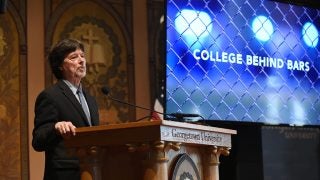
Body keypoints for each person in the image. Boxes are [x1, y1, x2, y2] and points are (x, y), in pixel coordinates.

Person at [32, 38, 100, 180]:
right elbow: (38, 140)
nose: (81, 60)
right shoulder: (50, 96)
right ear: (60, 66)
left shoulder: (91, 100)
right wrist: (55, 127)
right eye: (74, 57)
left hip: (92, 171)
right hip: (64, 174)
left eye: (82, 56)